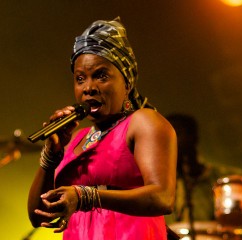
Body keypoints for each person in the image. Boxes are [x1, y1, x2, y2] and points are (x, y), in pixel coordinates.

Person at [27, 17, 177, 240]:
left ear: (126, 83)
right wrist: (51, 155)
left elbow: (163, 198)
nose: (89, 88)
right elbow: (39, 216)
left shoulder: (143, 122)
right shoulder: (77, 138)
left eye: (101, 76)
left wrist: (86, 197)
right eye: (80, 79)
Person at [164, 113, 242, 226]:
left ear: (193, 137)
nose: (171, 142)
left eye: (177, 134)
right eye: (165, 138)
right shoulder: (162, 185)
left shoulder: (230, 177)